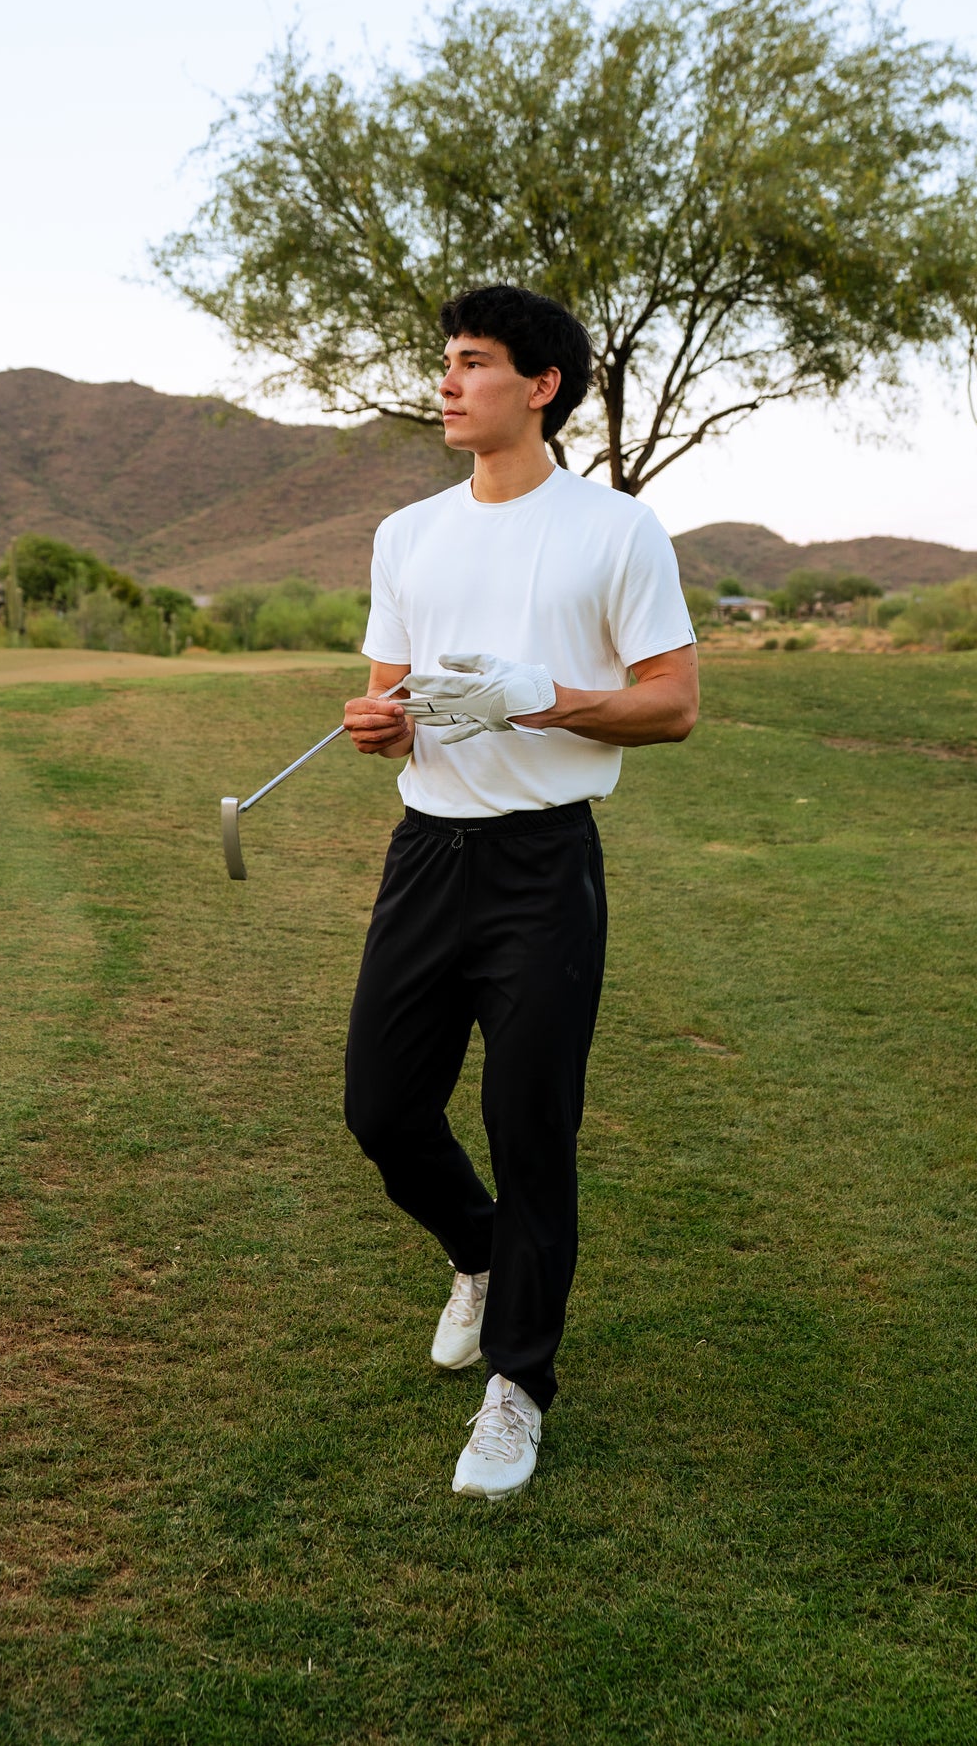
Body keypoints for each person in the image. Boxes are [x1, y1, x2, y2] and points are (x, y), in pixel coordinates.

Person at [342, 284, 698, 1500]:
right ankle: (484, 1257)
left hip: (544, 863)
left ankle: (519, 1386)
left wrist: (539, 696)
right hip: (427, 856)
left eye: (472, 362)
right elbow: (391, 692)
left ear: (541, 386)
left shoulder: (616, 531)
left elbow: (673, 704)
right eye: (443, 360)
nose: (446, 381)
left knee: (529, 1127)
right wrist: (375, 723)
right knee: (384, 1111)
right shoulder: (407, 533)